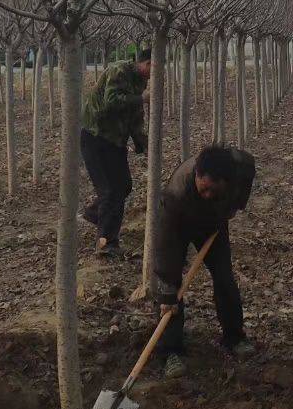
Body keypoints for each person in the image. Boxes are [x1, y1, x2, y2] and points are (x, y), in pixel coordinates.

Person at [151, 143, 257, 377]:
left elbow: (247, 178)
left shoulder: (241, 166)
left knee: (224, 278)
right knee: (170, 292)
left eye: (215, 191)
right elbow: (165, 246)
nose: (208, 194)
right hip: (179, 227)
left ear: (227, 181)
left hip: (213, 225)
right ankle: (170, 351)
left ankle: (234, 337)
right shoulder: (176, 194)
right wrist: (168, 290)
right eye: (204, 189)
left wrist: (234, 206)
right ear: (197, 175)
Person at [80, 49, 151, 256]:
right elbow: (112, 100)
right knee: (111, 191)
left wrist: (143, 143)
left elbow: (135, 115)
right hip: (96, 136)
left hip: (115, 140)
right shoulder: (118, 69)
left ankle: (96, 214)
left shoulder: (140, 81)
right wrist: (141, 98)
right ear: (147, 63)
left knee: (124, 186)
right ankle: (106, 244)